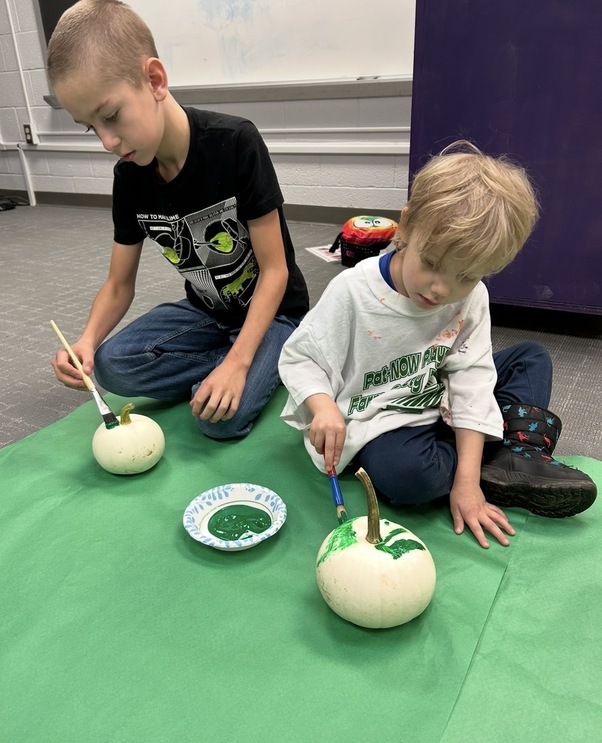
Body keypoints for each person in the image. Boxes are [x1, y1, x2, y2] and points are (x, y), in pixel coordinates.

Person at [278, 141, 597, 548]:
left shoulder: (470, 297)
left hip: (438, 392)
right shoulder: (353, 292)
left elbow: (471, 375)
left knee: (531, 357)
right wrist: (322, 407)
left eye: (466, 276)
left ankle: (511, 457)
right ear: (407, 226)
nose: (442, 289)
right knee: (409, 478)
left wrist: (465, 482)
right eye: (430, 263)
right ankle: (506, 451)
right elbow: (301, 358)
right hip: (381, 418)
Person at [46, 0, 309, 439]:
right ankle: (226, 365)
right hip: (207, 312)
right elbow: (118, 284)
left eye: (110, 116)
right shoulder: (128, 176)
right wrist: (87, 341)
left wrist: (238, 364)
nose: (108, 141)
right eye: (90, 127)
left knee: (219, 421)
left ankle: (268, 355)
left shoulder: (235, 142)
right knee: (112, 366)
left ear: (154, 80)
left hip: (276, 312)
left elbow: (276, 271)